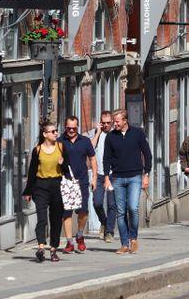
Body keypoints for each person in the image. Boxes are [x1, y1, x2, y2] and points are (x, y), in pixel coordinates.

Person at [103, 109, 152, 255]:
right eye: (114, 121)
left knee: (133, 207)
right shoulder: (111, 137)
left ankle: (133, 238)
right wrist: (106, 177)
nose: (114, 124)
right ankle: (124, 244)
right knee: (120, 211)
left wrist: (146, 174)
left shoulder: (137, 133)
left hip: (135, 177)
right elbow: (106, 158)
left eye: (117, 121)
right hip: (117, 177)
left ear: (125, 121)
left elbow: (147, 154)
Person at [22, 121, 73, 262]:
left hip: (57, 186)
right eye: (52, 131)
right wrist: (28, 191)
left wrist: (63, 165)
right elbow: (32, 172)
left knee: (56, 219)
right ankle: (41, 247)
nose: (56, 133)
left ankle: (53, 249)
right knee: (42, 218)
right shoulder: (37, 150)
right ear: (45, 134)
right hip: (41, 186)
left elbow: (68, 171)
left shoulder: (61, 147)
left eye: (56, 131)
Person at [61, 116, 97, 253]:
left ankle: (80, 235)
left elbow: (92, 159)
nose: (71, 130)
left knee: (83, 211)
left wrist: (94, 178)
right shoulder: (60, 141)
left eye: (74, 128)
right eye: (68, 128)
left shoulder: (85, 141)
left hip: (82, 181)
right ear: (65, 127)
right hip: (66, 181)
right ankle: (69, 242)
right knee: (67, 212)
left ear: (78, 127)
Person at [89, 110, 118, 242]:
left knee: (112, 204)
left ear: (112, 122)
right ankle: (104, 222)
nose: (106, 125)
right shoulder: (97, 134)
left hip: (113, 175)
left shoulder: (115, 135)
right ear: (100, 123)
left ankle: (109, 232)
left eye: (108, 123)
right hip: (99, 175)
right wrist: (98, 132)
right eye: (103, 123)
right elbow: (90, 148)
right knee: (97, 203)